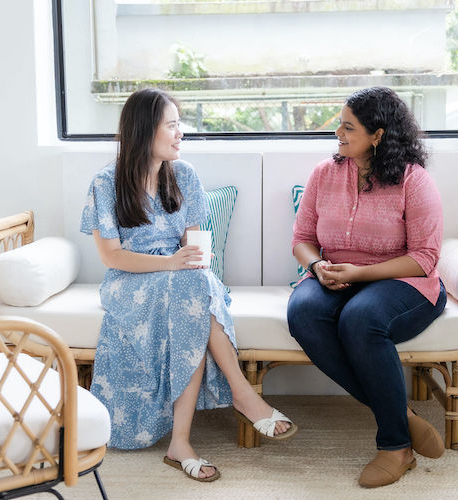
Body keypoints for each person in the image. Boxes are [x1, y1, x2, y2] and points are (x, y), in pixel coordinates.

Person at [80, 88, 296, 483]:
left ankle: (182, 443)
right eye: (173, 125)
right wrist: (172, 264)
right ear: (146, 130)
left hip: (182, 278)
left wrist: (195, 259)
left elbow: (192, 243)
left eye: (180, 125)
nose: (181, 133)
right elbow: (111, 257)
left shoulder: (185, 175)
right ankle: (242, 395)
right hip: (130, 282)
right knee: (192, 293)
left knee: (193, 294)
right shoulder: (105, 183)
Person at [287, 87, 447, 488]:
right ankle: (403, 418)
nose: (338, 134)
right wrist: (316, 264)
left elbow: (425, 257)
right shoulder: (325, 174)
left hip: (404, 282)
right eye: (339, 125)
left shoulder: (413, 179)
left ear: (377, 134)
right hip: (335, 273)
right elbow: (302, 237)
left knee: (360, 319)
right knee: (302, 311)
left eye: (348, 127)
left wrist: (357, 274)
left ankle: (395, 446)